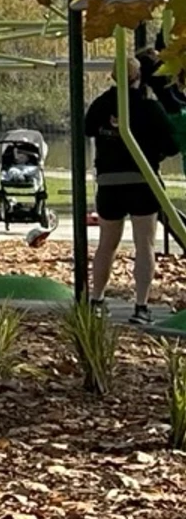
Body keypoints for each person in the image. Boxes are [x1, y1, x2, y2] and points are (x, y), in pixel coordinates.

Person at [83, 48, 176, 324]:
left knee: (106, 244)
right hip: (142, 179)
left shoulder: (102, 104)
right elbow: (171, 145)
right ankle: (141, 306)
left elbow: (88, 128)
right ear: (139, 77)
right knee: (144, 244)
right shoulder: (149, 107)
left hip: (109, 182)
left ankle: (96, 300)